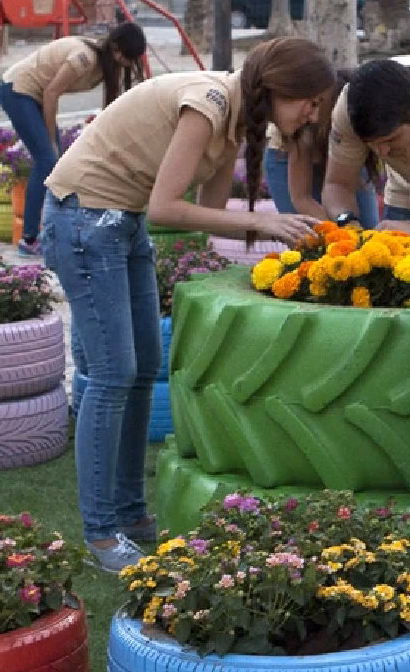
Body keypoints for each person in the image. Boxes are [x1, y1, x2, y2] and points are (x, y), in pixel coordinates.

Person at [40, 37, 336, 574]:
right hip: (83, 219)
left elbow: (206, 214)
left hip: (120, 224)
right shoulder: (209, 104)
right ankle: (101, 533)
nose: (314, 113)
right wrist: (263, 222)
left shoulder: (236, 123)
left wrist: (280, 242)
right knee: (113, 376)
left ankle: (130, 517)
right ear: (276, 89)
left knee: (142, 368)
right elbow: (166, 206)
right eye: (309, 101)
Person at [0, 21, 148, 258]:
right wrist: (52, 140)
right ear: (117, 48)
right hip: (17, 90)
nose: (130, 64)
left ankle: (49, 228)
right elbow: (51, 93)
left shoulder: (107, 64)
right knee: (47, 159)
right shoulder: (84, 58)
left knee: (58, 165)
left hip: (34, 96)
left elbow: (111, 105)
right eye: (129, 57)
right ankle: (29, 239)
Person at [321, 56, 410, 232]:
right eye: (371, 144)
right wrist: (349, 224)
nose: (382, 153)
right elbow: (338, 185)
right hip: (403, 194)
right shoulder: (350, 108)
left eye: (391, 140)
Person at [263, 69, 381, 229]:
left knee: (368, 227)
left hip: (341, 156)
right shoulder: (305, 124)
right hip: (286, 156)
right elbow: (301, 198)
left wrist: (352, 226)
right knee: (308, 235)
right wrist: (340, 230)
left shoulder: (359, 119)